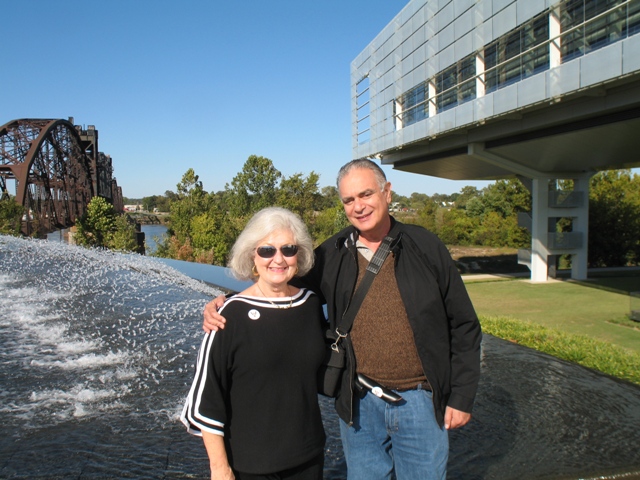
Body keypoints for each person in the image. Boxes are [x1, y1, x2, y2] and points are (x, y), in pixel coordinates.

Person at [204, 160, 482, 479]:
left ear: (387, 192)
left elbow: (464, 325)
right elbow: (279, 283)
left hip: (419, 402)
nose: (359, 206)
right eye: (349, 200)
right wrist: (228, 301)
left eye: (366, 194)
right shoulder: (334, 252)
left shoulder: (425, 247)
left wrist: (461, 396)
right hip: (358, 405)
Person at [181, 207, 326, 480]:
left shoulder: (310, 304)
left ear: (300, 254)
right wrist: (220, 468)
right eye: (267, 250)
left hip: (308, 458)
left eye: (288, 249)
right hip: (251, 465)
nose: (278, 259)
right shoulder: (229, 316)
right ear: (252, 255)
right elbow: (207, 398)